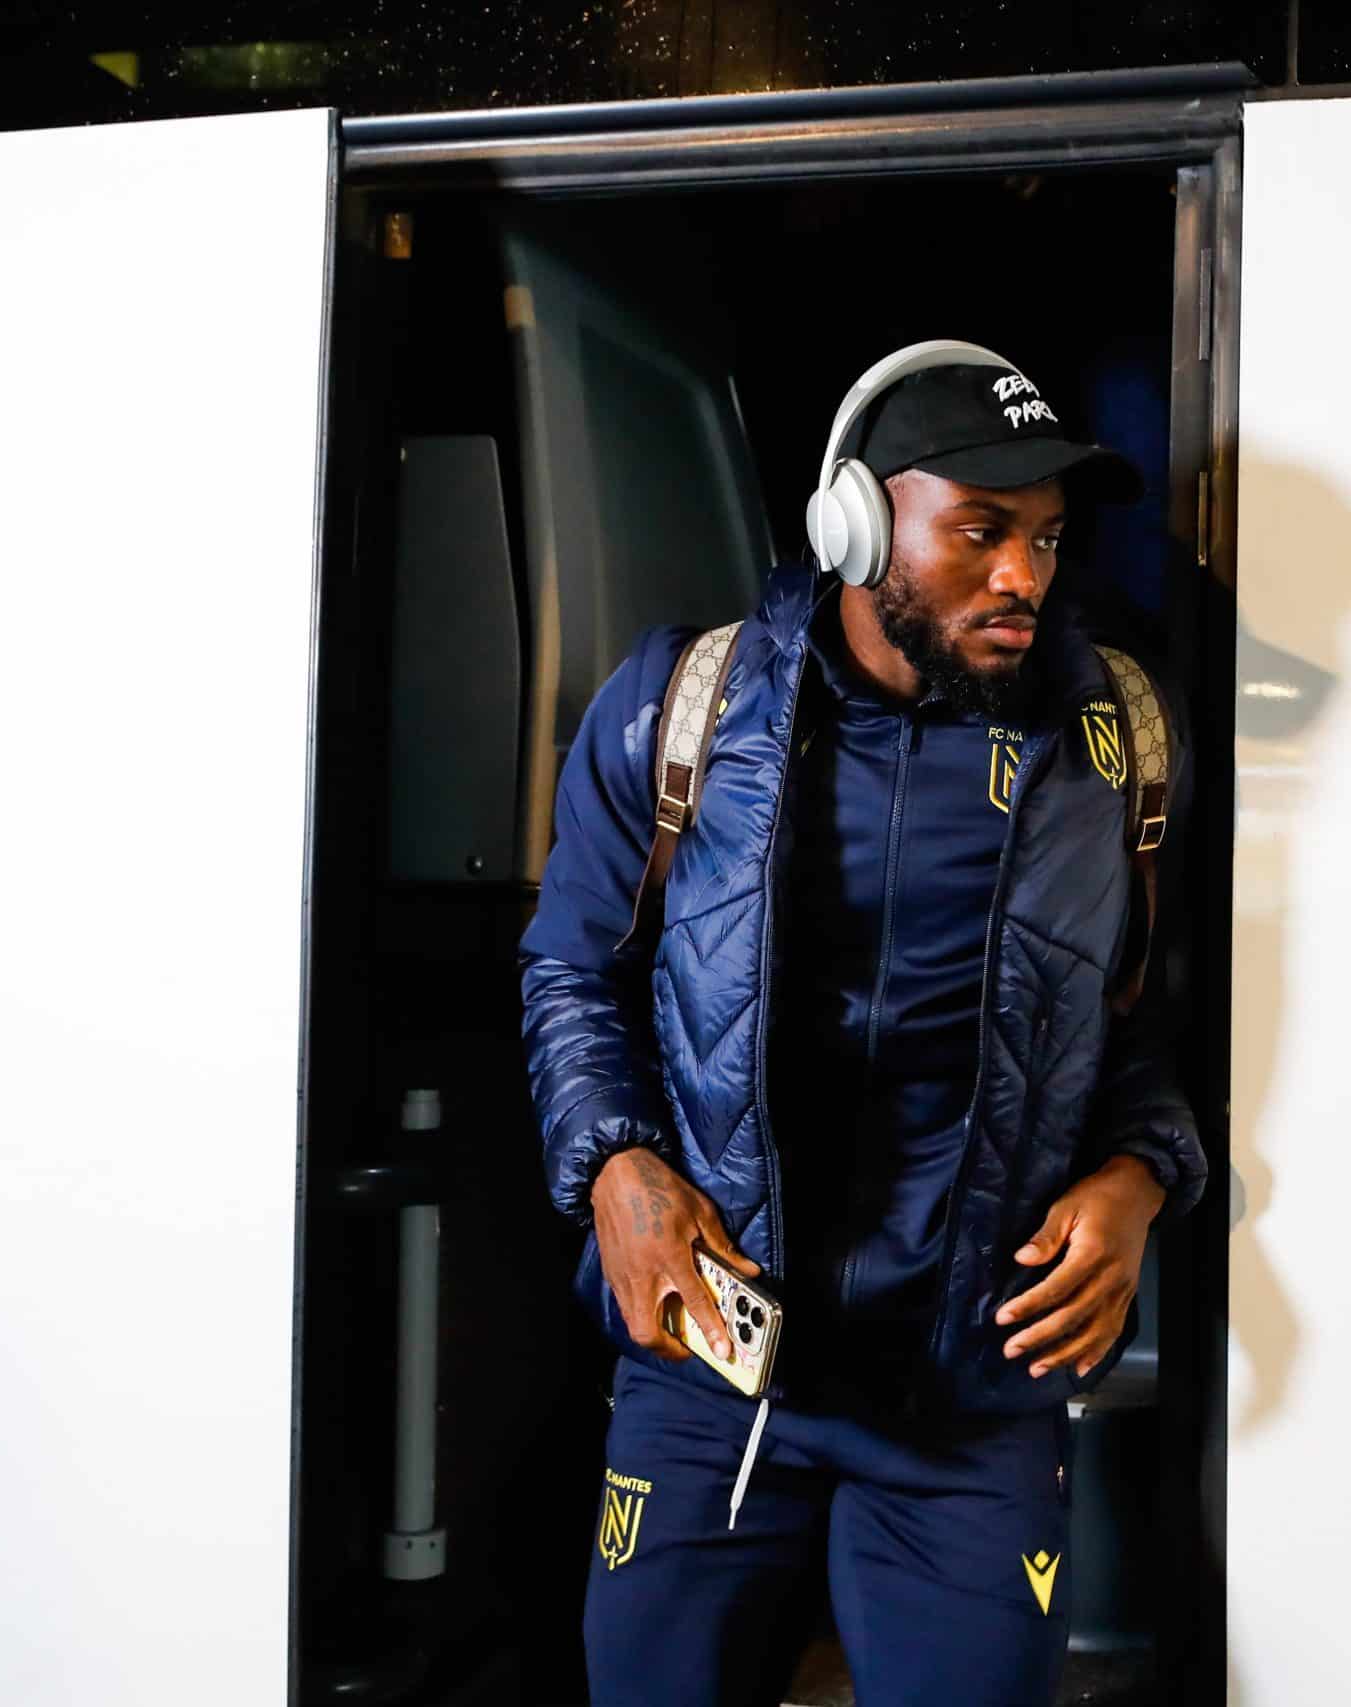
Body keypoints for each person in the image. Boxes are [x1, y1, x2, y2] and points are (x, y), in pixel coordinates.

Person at [519, 343, 1206, 1707]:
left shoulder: (1112, 743)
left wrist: (1142, 1179)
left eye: (1049, 541)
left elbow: (1147, 1027)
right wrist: (616, 1163)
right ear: (856, 523)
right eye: (982, 530)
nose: (1025, 576)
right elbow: (569, 974)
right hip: (711, 1369)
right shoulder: (681, 709)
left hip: (971, 1392)